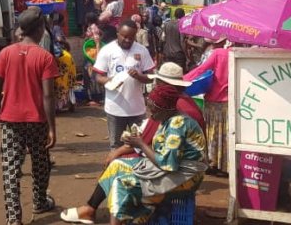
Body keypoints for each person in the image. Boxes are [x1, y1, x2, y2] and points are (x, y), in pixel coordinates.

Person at [60, 62, 205, 224]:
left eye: (153, 110)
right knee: (116, 166)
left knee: (121, 184)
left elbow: (168, 164)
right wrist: (134, 144)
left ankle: (121, 218)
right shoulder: (169, 110)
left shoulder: (178, 121)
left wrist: (140, 145)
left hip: (183, 174)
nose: (151, 113)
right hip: (168, 162)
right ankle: (90, 209)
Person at [0, 7, 59, 225]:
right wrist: (52, 128)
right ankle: (39, 201)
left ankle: (13, 218)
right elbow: (48, 96)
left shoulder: (6, 53)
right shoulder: (45, 57)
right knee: (40, 163)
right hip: (36, 120)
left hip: (9, 120)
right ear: (40, 29)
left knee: (11, 168)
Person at [93, 20, 156, 149]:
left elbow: (150, 77)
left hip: (137, 109)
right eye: (124, 36)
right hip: (115, 109)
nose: (127, 40)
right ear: (118, 34)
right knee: (116, 145)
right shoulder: (107, 50)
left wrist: (139, 76)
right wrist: (109, 81)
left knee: (141, 145)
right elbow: (98, 76)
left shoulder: (142, 50)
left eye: (131, 37)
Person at [184, 37, 230, 176]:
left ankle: (214, 163)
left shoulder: (217, 54)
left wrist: (182, 80)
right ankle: (226, 166)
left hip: (214, 100)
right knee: (226, 134)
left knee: (213, 133)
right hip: (230, 101)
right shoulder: (236, 53)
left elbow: (201, 70)